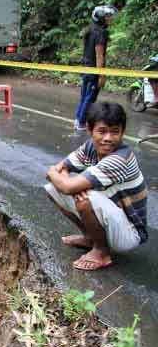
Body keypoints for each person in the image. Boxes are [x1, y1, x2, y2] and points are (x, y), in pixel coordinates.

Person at [45, 102, 147, 271]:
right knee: (53, 189)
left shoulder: (121, 158)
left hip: (130, 232)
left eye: (115, 132)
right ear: (89, 129)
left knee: (84, 199)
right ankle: (90, 239)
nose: (107, 138)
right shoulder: (91, 146)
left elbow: (63, 180)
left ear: (122, 132)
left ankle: (101, 252)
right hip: (113, 215)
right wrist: (62, 179)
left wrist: (61, 179)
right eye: (102, 131)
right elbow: (63, 167)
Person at [73, 5, 117, 131]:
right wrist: (101, 74)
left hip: (86, 67)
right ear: (100, 18)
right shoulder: (100, 33)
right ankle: (81, 122)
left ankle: (78, 119)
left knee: (84, 96)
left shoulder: (91, 29)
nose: (110, 19)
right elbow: (99, 55)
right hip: (94, 69)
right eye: (108, 16)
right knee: (90, 98)